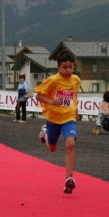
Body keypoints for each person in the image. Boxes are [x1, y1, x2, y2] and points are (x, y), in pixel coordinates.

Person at [35, 49, 81, 194]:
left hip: (68, 117)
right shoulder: (53, 80)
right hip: (53, 118)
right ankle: (45, 133)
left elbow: (74, 96)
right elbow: (38, 96)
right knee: (52, 148)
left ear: (74, 66)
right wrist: (52, 102)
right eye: (65, 67)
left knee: (71, 144)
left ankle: (69, 178)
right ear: (58, 67)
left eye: (70, 67)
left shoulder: (76, 80)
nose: (68, 70)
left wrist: (76, 110)